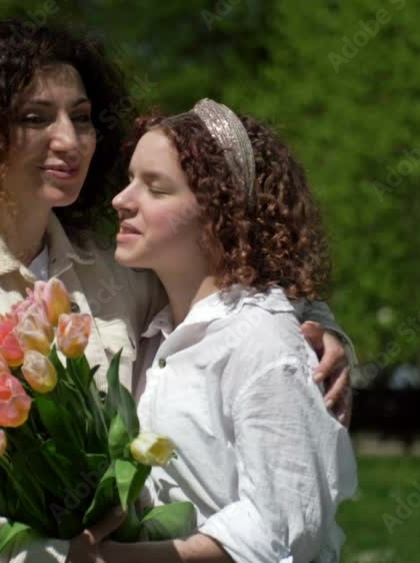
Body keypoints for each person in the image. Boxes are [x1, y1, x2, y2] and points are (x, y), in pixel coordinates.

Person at [0, 20, 354, 563]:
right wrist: (49, 558)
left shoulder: (116, 272)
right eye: (35, 118)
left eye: (82, 118)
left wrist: (322, 331)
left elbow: (232, 289)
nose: (69, 140)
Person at [65, 101, 356, 562]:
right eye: (130, 179)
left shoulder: (263, 342)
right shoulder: (156, 331)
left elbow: (282, 528)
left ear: (219, 213)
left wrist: (114, 559)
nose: (121, 199)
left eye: (155, 188)